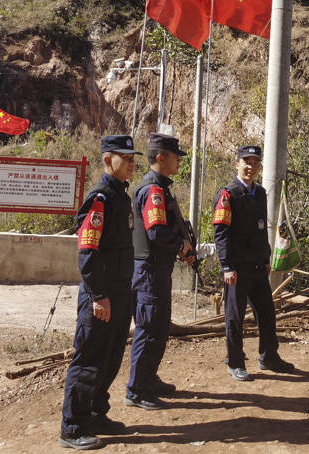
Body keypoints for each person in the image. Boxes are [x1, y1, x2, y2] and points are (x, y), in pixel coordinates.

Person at [60, 134, 142, 451]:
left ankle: (96, 414)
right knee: (89, 359)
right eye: (126, 158)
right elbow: (88, 252)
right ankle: (72, 427)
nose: (133, 163)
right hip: (102, 295)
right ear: (108, 160)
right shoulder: (100, 199)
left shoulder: (122, 196)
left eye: (134, 158)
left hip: (121, 292)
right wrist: (97, 295)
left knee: (110, 358)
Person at [124, 132, 195, 409]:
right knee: (149, 328)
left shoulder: (160, 188)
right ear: (160, 157)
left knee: (159, 326)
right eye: (175, 156)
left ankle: (148, 380)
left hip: (156, 270)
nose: (179, 161)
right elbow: (156, 232)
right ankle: (136, 390)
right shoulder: (153, 190)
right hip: (149, 271)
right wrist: (182, 246)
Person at [213, 144, 296, 381]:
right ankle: (235, 362)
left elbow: (262, 230)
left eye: (255, 163)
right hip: (237, 268)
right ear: (236, 164)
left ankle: (269, 357)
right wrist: (226, 266)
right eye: (246, 162)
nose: (250, 166)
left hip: (258, 266)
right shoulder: (227, 194)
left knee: (267, 313)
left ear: (259, 166)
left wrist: (266, 258)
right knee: (235, 316)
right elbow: (221, 233)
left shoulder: (259, 193)